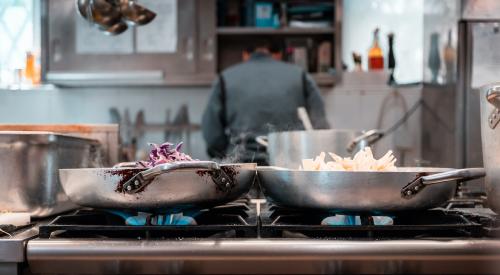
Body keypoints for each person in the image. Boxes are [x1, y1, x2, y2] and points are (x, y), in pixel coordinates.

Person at [202, 40, 330, 165]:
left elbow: (212, 134)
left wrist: (224, 153)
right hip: (289, 167)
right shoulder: (300, 75)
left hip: (241, 167)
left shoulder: (225, 78)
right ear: (278, 54)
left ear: (245, 55)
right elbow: (320, 127)